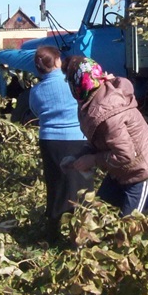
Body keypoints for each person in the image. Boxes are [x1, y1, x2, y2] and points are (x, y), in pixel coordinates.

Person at [62, 56, 148, 216]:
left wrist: (93, 160)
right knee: (102, 213)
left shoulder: (109, 113)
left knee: (130, 225)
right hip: (122, 171)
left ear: (77, 84)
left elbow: (125, 155)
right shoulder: (91, 101)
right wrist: (79, 156)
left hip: (142, 171)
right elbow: (97, 138)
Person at [29, 45, 94, 243]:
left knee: (56, 184)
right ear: (57, 61)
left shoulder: (36, 91)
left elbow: (35, 112)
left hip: (50, 141)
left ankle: (54, 232)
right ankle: (83, 232)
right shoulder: (71, 83)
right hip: (78, 138)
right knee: (82, 186)